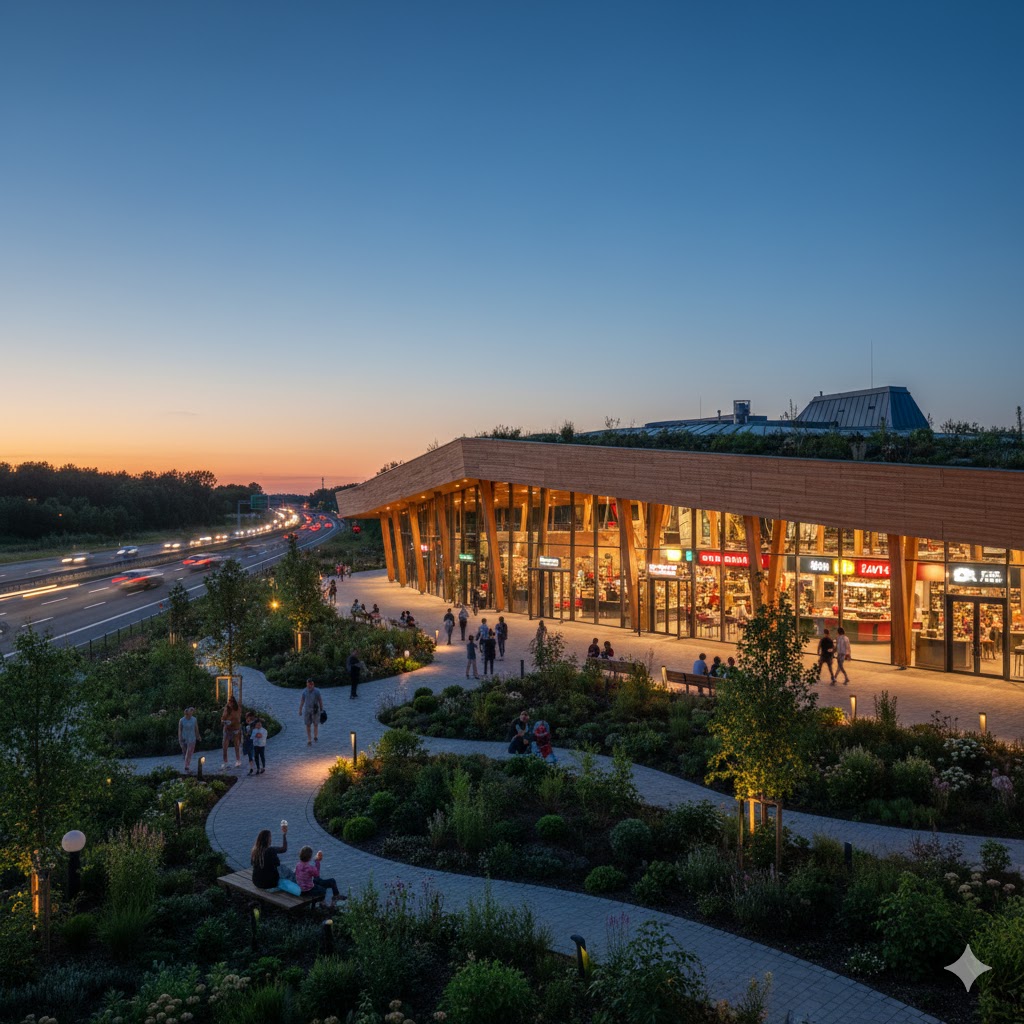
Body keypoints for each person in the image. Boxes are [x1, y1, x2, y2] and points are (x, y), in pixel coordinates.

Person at [251, 824, 292, 889]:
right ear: (267, 839)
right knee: (284, 869)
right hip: (270, 883)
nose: (271, 839)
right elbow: (284, 850)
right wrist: (284, 835)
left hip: (256, 882)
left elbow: (252, 864)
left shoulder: (254, 851)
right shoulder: (271, 850)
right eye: (270, 837)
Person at [299, 678, 324, 745]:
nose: (310, 685)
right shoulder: (304, 692)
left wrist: (321, 708)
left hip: (315, 711)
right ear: (307, 684)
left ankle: (315, 736)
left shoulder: (317, 691)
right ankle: (309, 739)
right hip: (307, 711)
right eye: (308, 684)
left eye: (311, 684)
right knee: (308, 725)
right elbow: (302, 701)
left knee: (315, 724)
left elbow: (320, 700)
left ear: (313, 684)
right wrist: (300, 709)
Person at [221, 694, 241, 769]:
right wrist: (223, 721)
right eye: (229, 701)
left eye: (231, 701)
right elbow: (223, 717)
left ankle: (238, 760)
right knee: (225, 746)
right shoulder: (226, 708)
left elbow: (237, 719)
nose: (230, 703)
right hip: (227, 729)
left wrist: (231, 722)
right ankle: (225, 761)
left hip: (235, 729)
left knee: (236, 745)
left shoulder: (237, 709)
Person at [178, 706, 200, 774]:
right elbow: (180, 730)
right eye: (191, 711)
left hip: (192, 738)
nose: (192, 712)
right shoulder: (182, 720)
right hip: (184, 738)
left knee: (189, 752)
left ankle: (186, 766)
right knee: (185, 753)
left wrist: (198, 736)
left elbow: (196, 728)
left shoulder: (194, 719)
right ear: (187, 712)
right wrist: (180, 738)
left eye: (192, 711)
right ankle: (186, 765)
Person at [241, 710, 256, 776]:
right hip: (247, 742)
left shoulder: (253, 726)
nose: (246, 719)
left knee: (253, 755)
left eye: (248, 718)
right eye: (246, 718)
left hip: (253, 742)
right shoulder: (246, 726)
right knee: (250, 756)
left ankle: (256, 768)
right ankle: (251, 768)